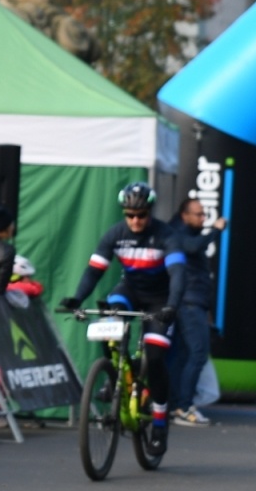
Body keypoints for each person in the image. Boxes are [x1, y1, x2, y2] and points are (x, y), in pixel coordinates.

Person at [60, 182, 185, 449]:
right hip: (130, 290)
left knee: (154, 357)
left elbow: (178, 275)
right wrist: (77, 299)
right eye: (130, 215)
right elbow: (94, 270)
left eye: (141, 215)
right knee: (109, 320)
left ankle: (160, 423)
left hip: (161, 299)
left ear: (150, 213)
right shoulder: (115, 234)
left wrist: (172, 305)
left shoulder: (166, 235)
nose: (135, 220)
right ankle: (117, 379)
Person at [166, 197, 226, 426]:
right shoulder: (177, 233)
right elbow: (194, 246)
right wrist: (217, 231)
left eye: (204, 214)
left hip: (194, 302)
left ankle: (175, 405)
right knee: (198, 353)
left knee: (182, 356)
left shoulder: (181, 231)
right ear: (185, 215)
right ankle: (183, 407)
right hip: (188, 303)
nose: (203, 218)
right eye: (199, 214)